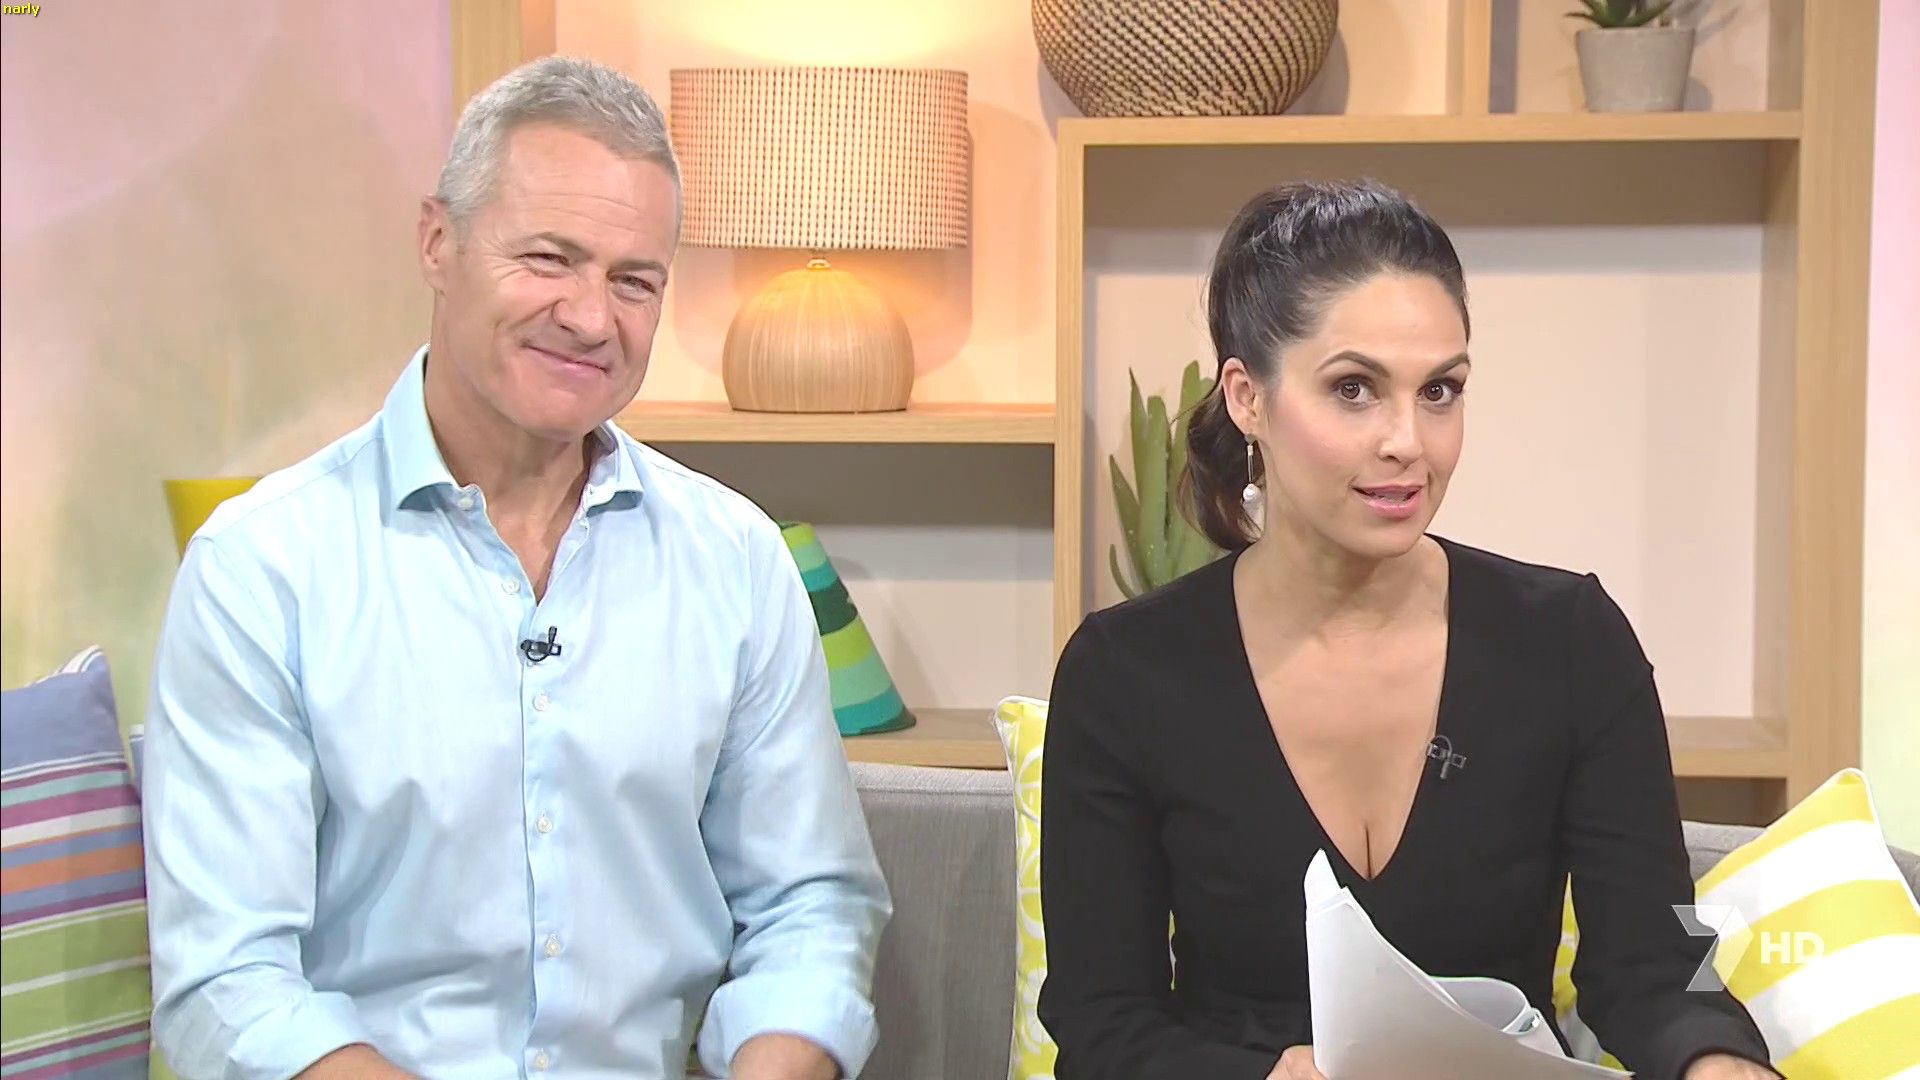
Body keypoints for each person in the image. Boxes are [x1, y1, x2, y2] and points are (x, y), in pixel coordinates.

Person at [142, 56, 889, 1080]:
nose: (590, 317)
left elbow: (811, 909)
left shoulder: (738, 560)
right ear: (437, 243)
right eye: (549, 259)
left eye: (634, 281)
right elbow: (228, 982)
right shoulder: (263, 567)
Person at [1036, 179, 1780, 1080]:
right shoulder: (1127, 674)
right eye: (1353, 389)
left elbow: (1663, 958)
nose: (1408, 442)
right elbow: (1102, 1024)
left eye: (1440, 391)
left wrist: (1715, 1058)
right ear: (1247, 396)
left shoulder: (1570, 643)